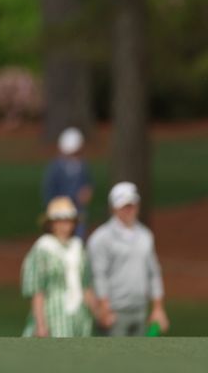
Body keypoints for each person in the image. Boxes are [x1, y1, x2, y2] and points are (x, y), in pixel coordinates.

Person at [87, 182, 170, 337]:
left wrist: (158, 308)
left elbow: (154, 273)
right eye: (124, 206)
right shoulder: (101, 238)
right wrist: (103, 308)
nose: (129, 209)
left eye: (132, 205)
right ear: (114, 208)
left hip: (140, 310)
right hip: (114, 313)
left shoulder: (145, 236)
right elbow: (98, 275)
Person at [21, 196, 99, 337]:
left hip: (79, 318)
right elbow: (37, 291)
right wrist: (41, 324)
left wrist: (98, 313)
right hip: (53, 319)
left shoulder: (78, 247)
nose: (64, 225)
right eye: (59, 221)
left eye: (68, 220)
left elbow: (86, 286)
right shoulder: (42, 250)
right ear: (51, 223)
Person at [42, 127, 93, 239]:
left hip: (78, 211)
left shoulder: (82, 166)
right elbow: (49, 192)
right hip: (60, 212)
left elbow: (87, 184)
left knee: (78, 239)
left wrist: (86, 192)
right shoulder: (55, 168)